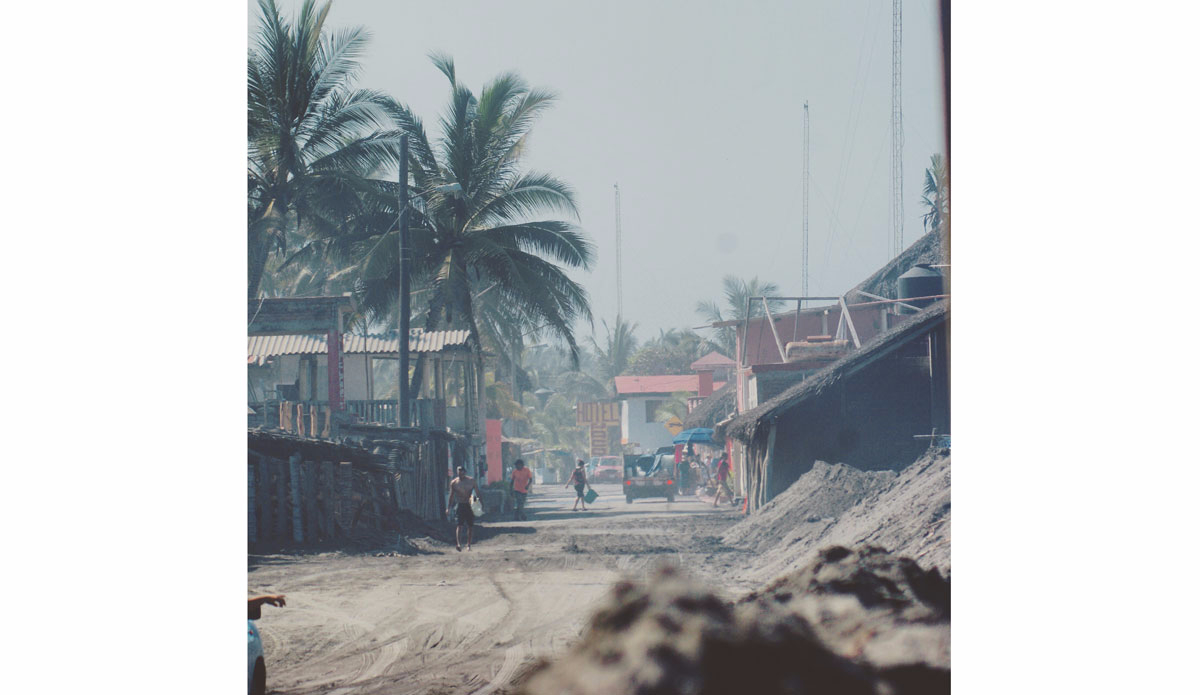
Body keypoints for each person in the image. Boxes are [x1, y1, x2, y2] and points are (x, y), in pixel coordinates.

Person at [447, 465, 481, 551]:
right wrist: (448, 508)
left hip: (469, 505)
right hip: (460, 504)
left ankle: (468, 544)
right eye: (458, 473)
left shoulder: (471, 481)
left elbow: (477, 493)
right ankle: (458, 543)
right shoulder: (454, 483)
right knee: (459, 525)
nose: (460, 475)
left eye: (461, 473)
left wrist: (480, 504)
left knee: (470, 526)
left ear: (464, 473)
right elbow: (451, 496)